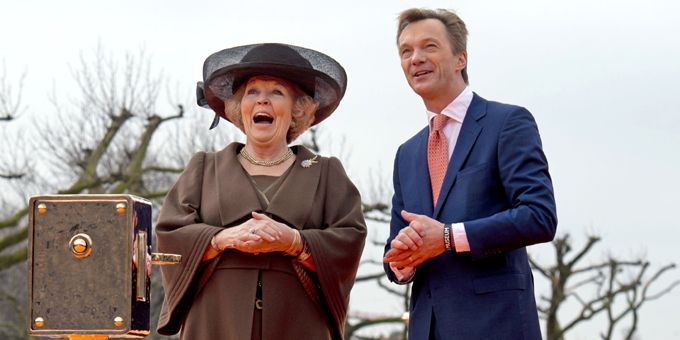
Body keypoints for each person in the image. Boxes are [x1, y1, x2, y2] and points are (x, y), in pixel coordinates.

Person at [155, 43, 367, 340]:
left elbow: (350, 238)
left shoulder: (326, 172)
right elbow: (169, 236)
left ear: (297, 109)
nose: (262, 101)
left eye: (276, 92)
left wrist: (295, 242)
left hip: (298, 322)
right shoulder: (204, 168)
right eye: (252, 92)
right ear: (239, 107)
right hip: (214, 321)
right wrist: (218, 240)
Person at [383, 8, 557, 339]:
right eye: (406, 51)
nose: (415, 58)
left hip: (496, 326)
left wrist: (448, 236)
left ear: (460, 58)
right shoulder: (406, 154)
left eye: (429, 46)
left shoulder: (507, 123)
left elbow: (539, 216)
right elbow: (395, 252)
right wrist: (401, 258)